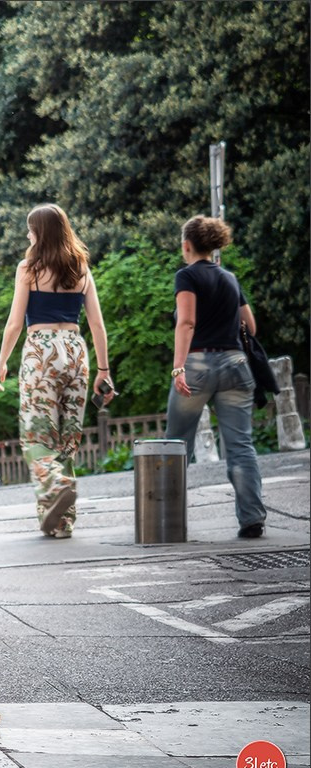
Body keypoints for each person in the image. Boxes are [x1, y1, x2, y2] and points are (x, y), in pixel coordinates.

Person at [0, 204, 113, 539]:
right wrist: (104, 369)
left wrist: (2, 361)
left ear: (40, 232)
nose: (28, 234)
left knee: (36, 435)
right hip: (75, 351)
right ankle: (61, 521)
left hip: (41, 351)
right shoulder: (81, 267)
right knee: (66, 439)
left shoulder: (28, 268)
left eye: (31, 229)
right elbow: (97, 324)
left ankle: (56, 483)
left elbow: (16, 323)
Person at [164, 215, 266, 538]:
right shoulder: (230, 279)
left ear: (187, 245)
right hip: (236, 365)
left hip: (197, 365)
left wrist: (179, 366)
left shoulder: (187, 277)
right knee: (240, 446)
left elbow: (187, 322)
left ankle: (168, 519)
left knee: (177, 444)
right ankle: (252, 518)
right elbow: (250, 326)